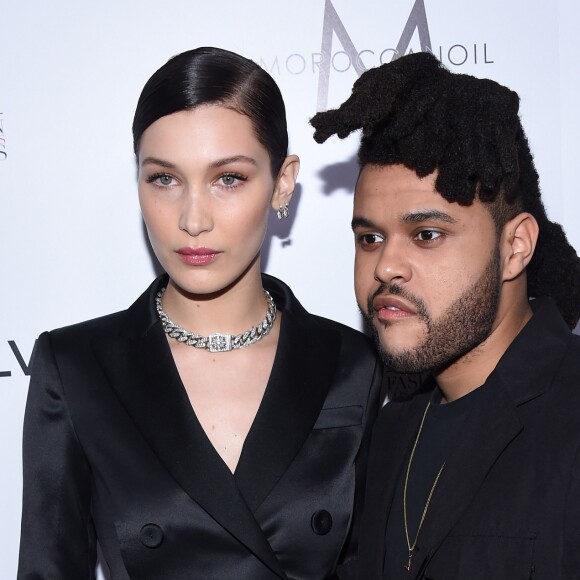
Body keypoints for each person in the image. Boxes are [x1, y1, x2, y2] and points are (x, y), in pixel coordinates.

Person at [18, 47, 381, 580]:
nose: (193, 219)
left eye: (228, 178)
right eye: (164, 178)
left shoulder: (351, 363)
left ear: (282, 182)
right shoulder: (75, 368)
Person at [311, 52, 580, 579]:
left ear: (516, 246)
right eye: (370, 237)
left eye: (426, 235)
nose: (385, 264)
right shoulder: (390, 431)